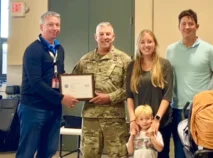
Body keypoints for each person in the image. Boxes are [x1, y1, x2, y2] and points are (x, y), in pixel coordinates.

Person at [166, 9, 213, 158]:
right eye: (184, 24)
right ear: (179, 27)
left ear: (197, 26)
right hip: (177, 110)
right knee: (181, 152)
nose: (187, 27)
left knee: (202, 152)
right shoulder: (171, 50)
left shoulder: (210, 51)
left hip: (202, 111)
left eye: (191, 24)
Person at [16, 11, 78, 158]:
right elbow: (36, 82)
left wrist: (70, 82)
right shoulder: (33, 50)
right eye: (50, 24)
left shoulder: (59, 49)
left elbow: (59, 74)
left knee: (49, 150)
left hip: (53, 108)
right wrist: (61, 98)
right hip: (33, 108)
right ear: (41, 27)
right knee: (27, 151)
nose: (54, 28)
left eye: (57, 25)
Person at [72, 22, 132, 158]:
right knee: (88, 155)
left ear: (113, 36)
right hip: (90, 118)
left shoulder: (124, 60)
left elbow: (129, 88)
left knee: (119, 155)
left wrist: (110, 97)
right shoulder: (85, 60)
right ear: (95, 37)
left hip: (114, 118)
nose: (105, 37)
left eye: (108, 34)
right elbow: (73, 83)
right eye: (101, 34)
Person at [126, 29, 173, 158]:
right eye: (143, 42)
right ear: (138, 45)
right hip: (139, 123)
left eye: (149, 42)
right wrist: (133, 120)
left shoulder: (164, 65)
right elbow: (129, 96)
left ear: (155, 44)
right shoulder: (132, 67)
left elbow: (167, 95)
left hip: (160, 122)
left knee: (162, 154)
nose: (146, 45)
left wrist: (156, 120)